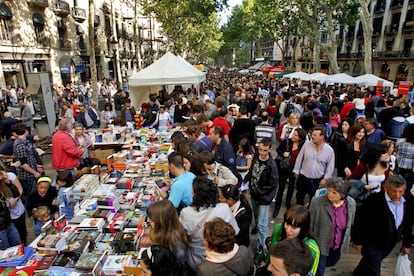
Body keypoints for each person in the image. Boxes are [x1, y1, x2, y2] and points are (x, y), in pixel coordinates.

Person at [351, 175, 413, 276]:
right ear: (385, 188)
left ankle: (359, 273)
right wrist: (357, 240)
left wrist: (407, 244)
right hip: (372, 242)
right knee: (374, 269)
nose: (397, 195)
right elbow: (360, 220)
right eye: (394, 191)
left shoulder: (407, 201)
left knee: (371, 262)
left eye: (401, 191)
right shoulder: (374, 200)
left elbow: (408, 223)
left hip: (390, 242)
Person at [179, 176, 239, 270]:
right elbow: (235, 231)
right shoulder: (224, 208)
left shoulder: (186, 213)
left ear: (196, 194)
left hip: (198, 258)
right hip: (224, 257)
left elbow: (182, 238)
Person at [309, 177, 356, 276]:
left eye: (334, 193)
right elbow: (310, 223)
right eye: (329, 190)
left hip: (337, 245)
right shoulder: (317, 202)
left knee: (332, 261)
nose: (329, 194)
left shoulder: (351, 203)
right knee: (319, 270)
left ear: (343, 195)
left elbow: (350, 223)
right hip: (320, 244)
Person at [258, 205, 320, 276]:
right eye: (287, 223)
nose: (288, 229)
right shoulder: (278, 229)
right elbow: (270, 247)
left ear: (303, 228)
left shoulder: (312, 249)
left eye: (294, 227)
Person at [243, 137, 278, 251]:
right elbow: (252, 171)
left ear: (270, 150)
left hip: (264, 197)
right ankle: (257, 229)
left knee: (263, 224)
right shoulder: (256, 157)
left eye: (265, 150)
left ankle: (262, 246)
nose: (262, 153)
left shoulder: (271, 165)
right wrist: (246, 181)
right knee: (257, 215)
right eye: (260, 149)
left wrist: (258, 191)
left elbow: (272, 184)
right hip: (254, 194)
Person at [293, 125, 335, 205]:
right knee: (299, 197)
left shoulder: (329, 150)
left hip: (317, 180)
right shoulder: (306, 145)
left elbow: (330, 167)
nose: (312, 136)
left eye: (315, 135)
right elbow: (299, 158)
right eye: (312, 134)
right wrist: (296, 170)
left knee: (314, 200)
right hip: (303, 177)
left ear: (322, 137)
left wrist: (325, 179)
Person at [274, 128, 307, 217]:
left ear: (300, 138)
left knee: (291, 187)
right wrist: (283, 153)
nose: (293, 136)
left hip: (294, 169)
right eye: (294, 134)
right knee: (281, 187)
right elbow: (278, 150)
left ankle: (288, 204)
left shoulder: (303, 146)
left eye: (296, 135)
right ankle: (277, 206)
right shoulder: (287, 141)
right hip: (284, 168)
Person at [13, 123, 43, 196]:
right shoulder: (20, 145)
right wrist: (34, 173)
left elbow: (29, 158)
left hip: (31, 173)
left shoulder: (25, 142)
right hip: (27, 177)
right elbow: (23, 163)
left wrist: (36, 166)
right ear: (26, 131)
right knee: (31, 195)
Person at [0, 170, 26, 245]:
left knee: (18, 246)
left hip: (8, 223)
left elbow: (16, 194)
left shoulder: (3, 186)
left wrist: (8, 182)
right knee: (5, 252)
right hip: (1, 229)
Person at [395, 124, 414, 192]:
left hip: (398, 164)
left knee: (397, 183)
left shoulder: (399, 141)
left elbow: (396, 150)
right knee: (408, 186)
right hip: (410, 167)